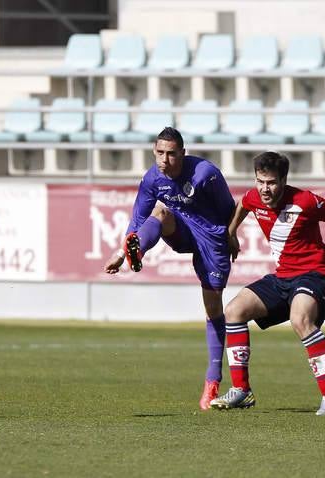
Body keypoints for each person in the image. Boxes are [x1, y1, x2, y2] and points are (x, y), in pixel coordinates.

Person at [210, 151, 325, 415]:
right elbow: (243, 205)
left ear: (284, 180)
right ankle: (242, 390)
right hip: (282, 277)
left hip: (313, 275)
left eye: (271, 182)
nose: (264, 188)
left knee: (300, 320)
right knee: (234, 311)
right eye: (260, 181)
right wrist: (231, 233)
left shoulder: (305, 201)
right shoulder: (253, 197)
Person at [105, 127, 236, 410]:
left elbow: (229, 210)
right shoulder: (153, 178)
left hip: (212, 239)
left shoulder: (205, 173)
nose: (165, 159)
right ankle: (138, 251)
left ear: (182, 154)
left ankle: (212, 380)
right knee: (158, 213)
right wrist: (121, 252)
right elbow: (137, 218)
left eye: (171, 154)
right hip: (181, 230)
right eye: (160, 153)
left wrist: (232, 237)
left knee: (213, 309)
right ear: (154, 152)